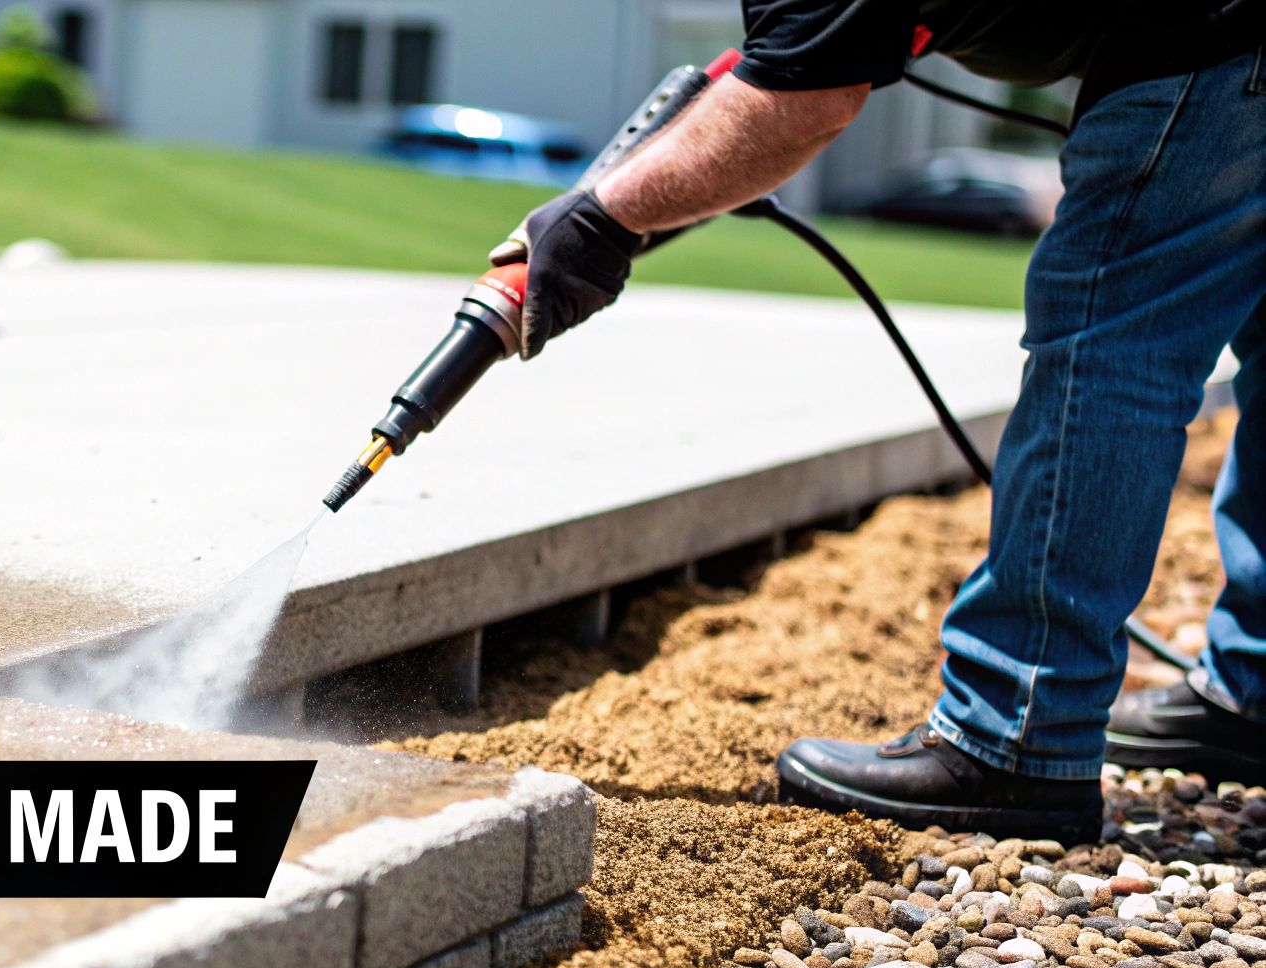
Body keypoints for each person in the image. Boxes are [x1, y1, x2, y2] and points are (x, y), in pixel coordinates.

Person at [514, 0, 1266, 843]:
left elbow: (800, 103)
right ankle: (1257, 689)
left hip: (1219, 43)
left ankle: (1017, 733)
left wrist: (602, 219)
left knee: (1111, 338)